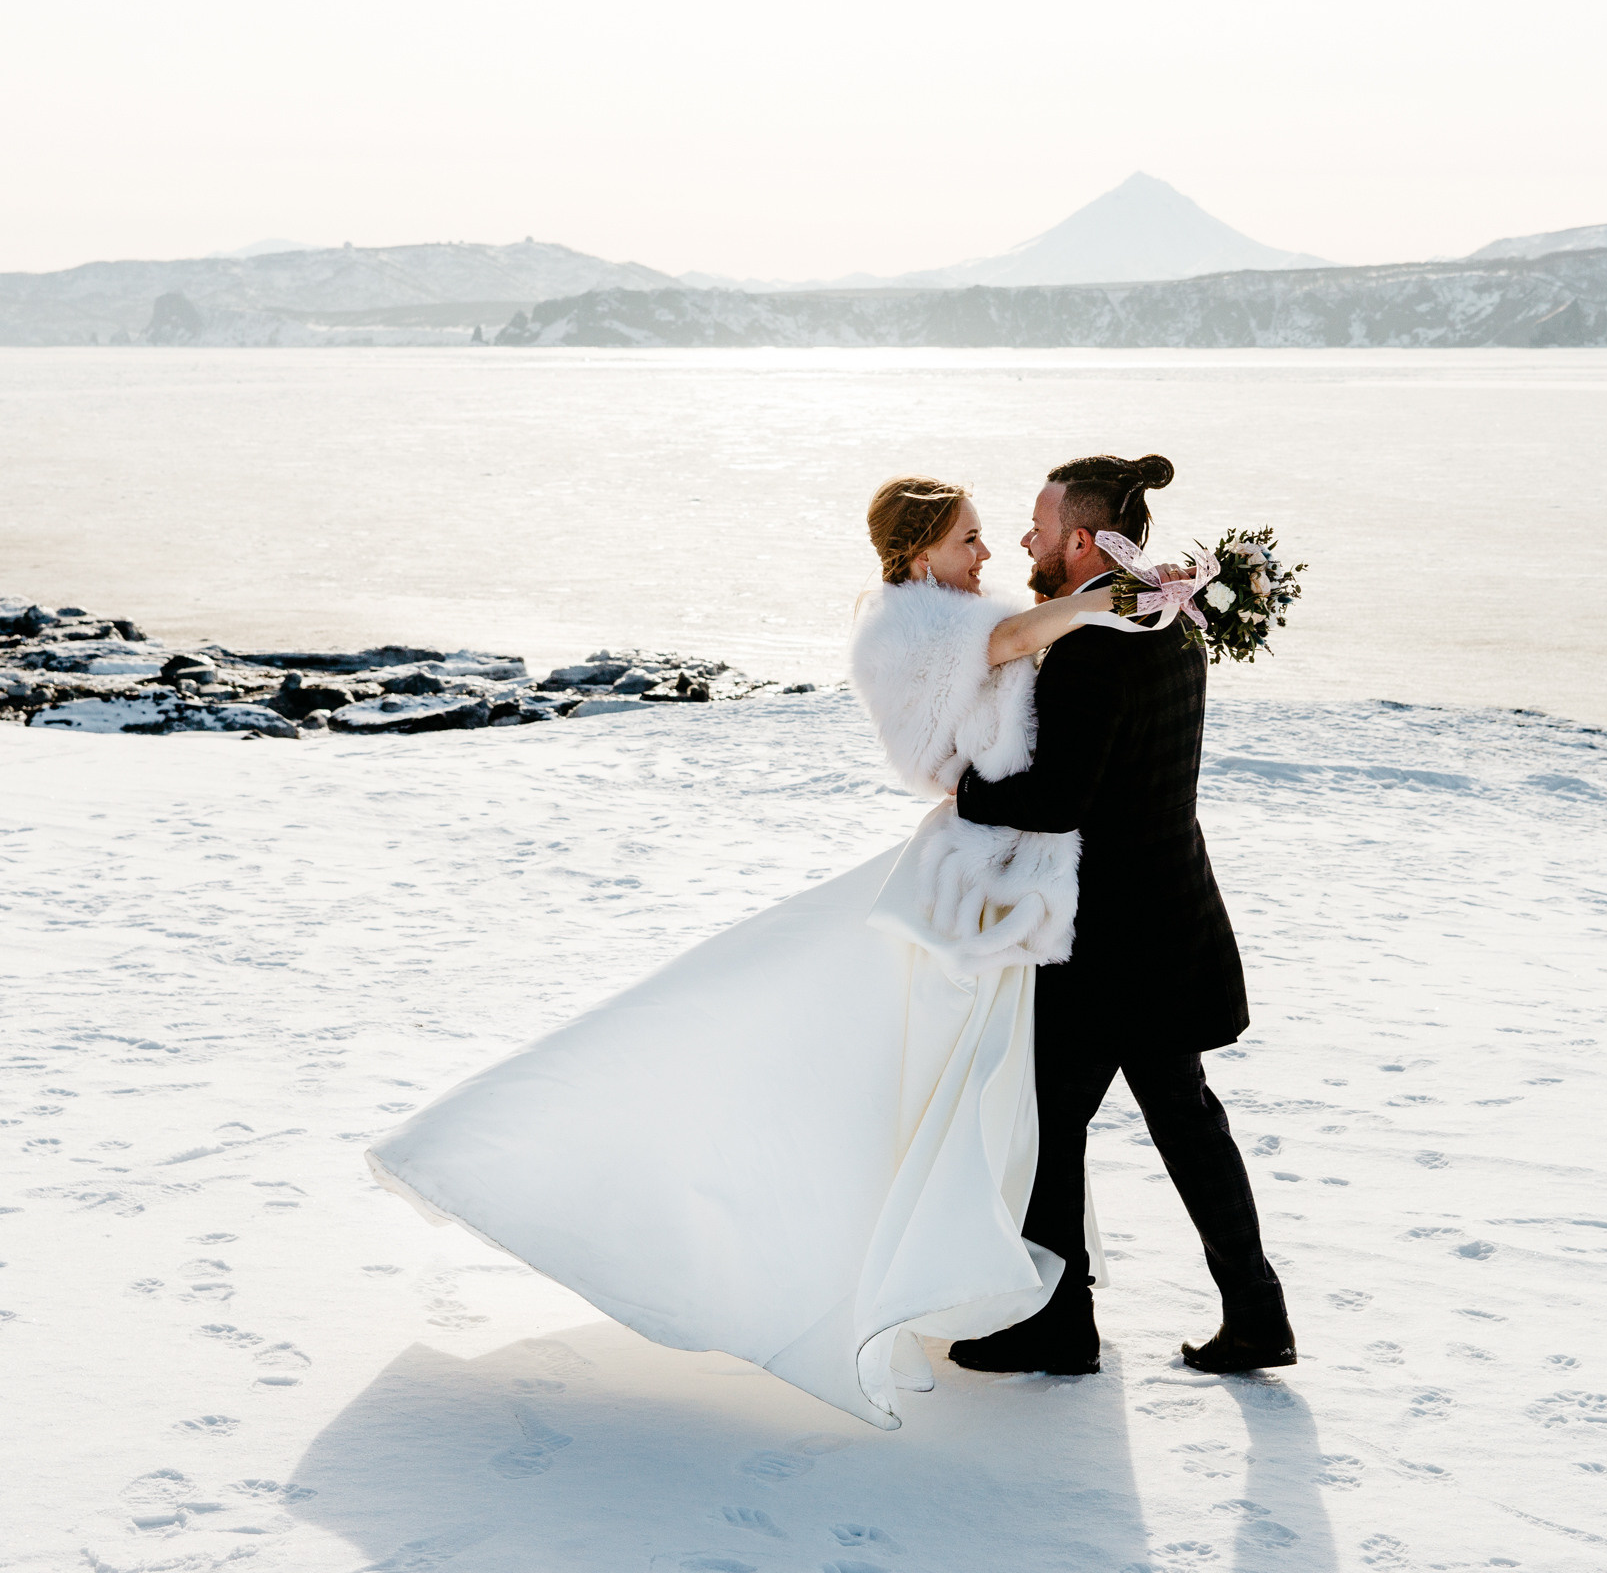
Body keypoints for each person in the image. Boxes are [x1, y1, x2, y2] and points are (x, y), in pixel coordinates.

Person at [365, 475, 1120, 1430]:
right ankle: (935, 1280)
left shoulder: (968, 611)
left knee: (986, 1084)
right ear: (921, 551)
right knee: (935, 1074)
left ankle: (1007, 1289)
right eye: (970, 538)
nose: (988, 552)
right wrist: (1104, 601)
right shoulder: (904, 629)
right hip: (968, 879)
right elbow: (1005, 648)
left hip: (1000, 872)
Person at [946, 453, 1295, 1378]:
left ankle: (1062, 1325)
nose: (1026, 539)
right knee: (1186, 1120)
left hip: (1106, 943)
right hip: (1175, 913)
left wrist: (965, 790)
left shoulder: (1093, 648)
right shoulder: (1170, 621)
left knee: (1047, 1123)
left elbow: (1060, 800)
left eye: (1039, 526)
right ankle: (1257, 1314)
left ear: (1082, 541)